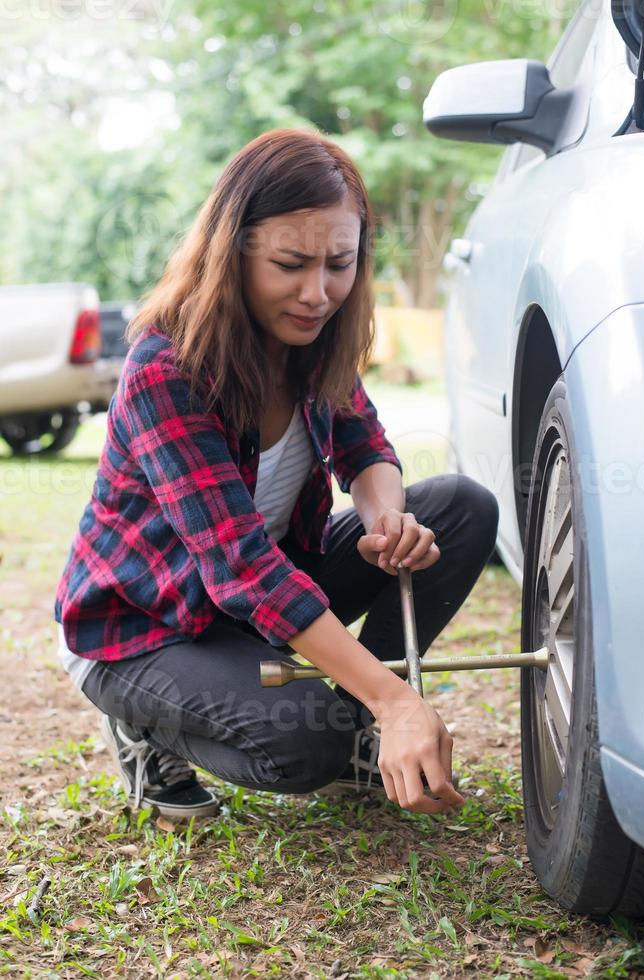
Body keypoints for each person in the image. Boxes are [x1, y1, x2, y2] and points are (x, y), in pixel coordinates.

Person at [54, 127, 499, 821]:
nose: (318, 293)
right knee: (300, 744)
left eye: (339, 264)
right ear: (231, 253)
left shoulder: (314, 341)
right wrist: (397, 696)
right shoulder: (164, 369)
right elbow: (241, 566)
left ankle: (358, 725)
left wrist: (388, 521)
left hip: (254, 601)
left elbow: (365, 446)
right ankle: (152, 726)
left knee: (461, 506)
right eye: (291, 263)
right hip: (148, 626)